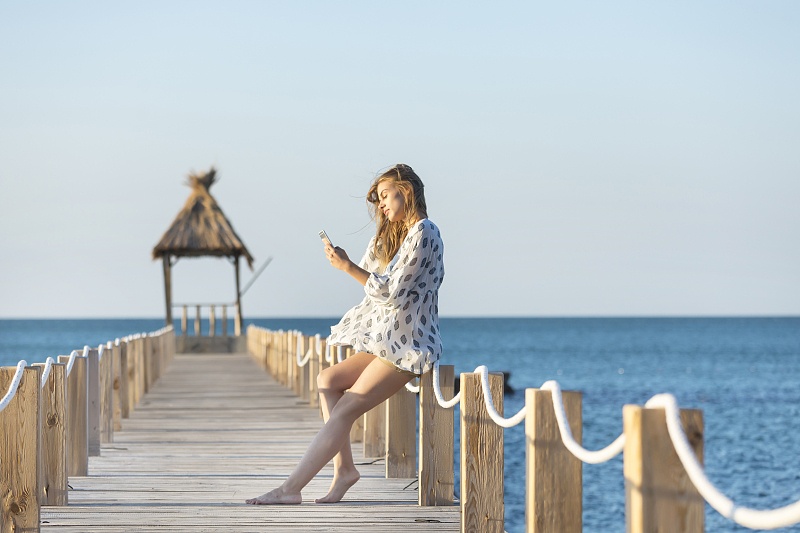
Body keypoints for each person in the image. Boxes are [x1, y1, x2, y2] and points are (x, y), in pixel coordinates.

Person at [246, 163, 444, 505]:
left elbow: (391, 292)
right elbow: (374, 274)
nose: (380, 205)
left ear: (406, 190)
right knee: (328, 380)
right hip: (389, 342)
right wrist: (366, 246)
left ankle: (289, 489)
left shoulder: (425, 232)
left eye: (384, 196)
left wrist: (347, 267)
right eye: (378, 200)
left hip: (408, 347)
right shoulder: (404, 235)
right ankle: (345, 471)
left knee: (345, 409)